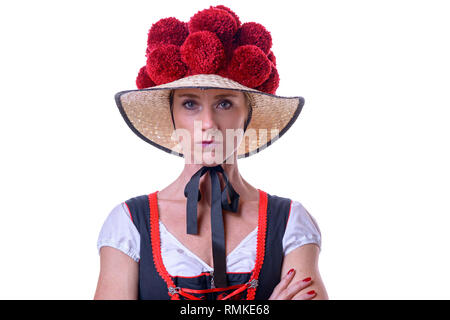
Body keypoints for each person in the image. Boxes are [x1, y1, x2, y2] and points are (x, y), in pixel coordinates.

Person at [94, 5, 328, 300]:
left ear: (247, 115)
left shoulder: (290, 221)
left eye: (225, 104)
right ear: (172, 116)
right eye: (190, 104)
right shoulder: (129, 223)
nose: (208, 124)